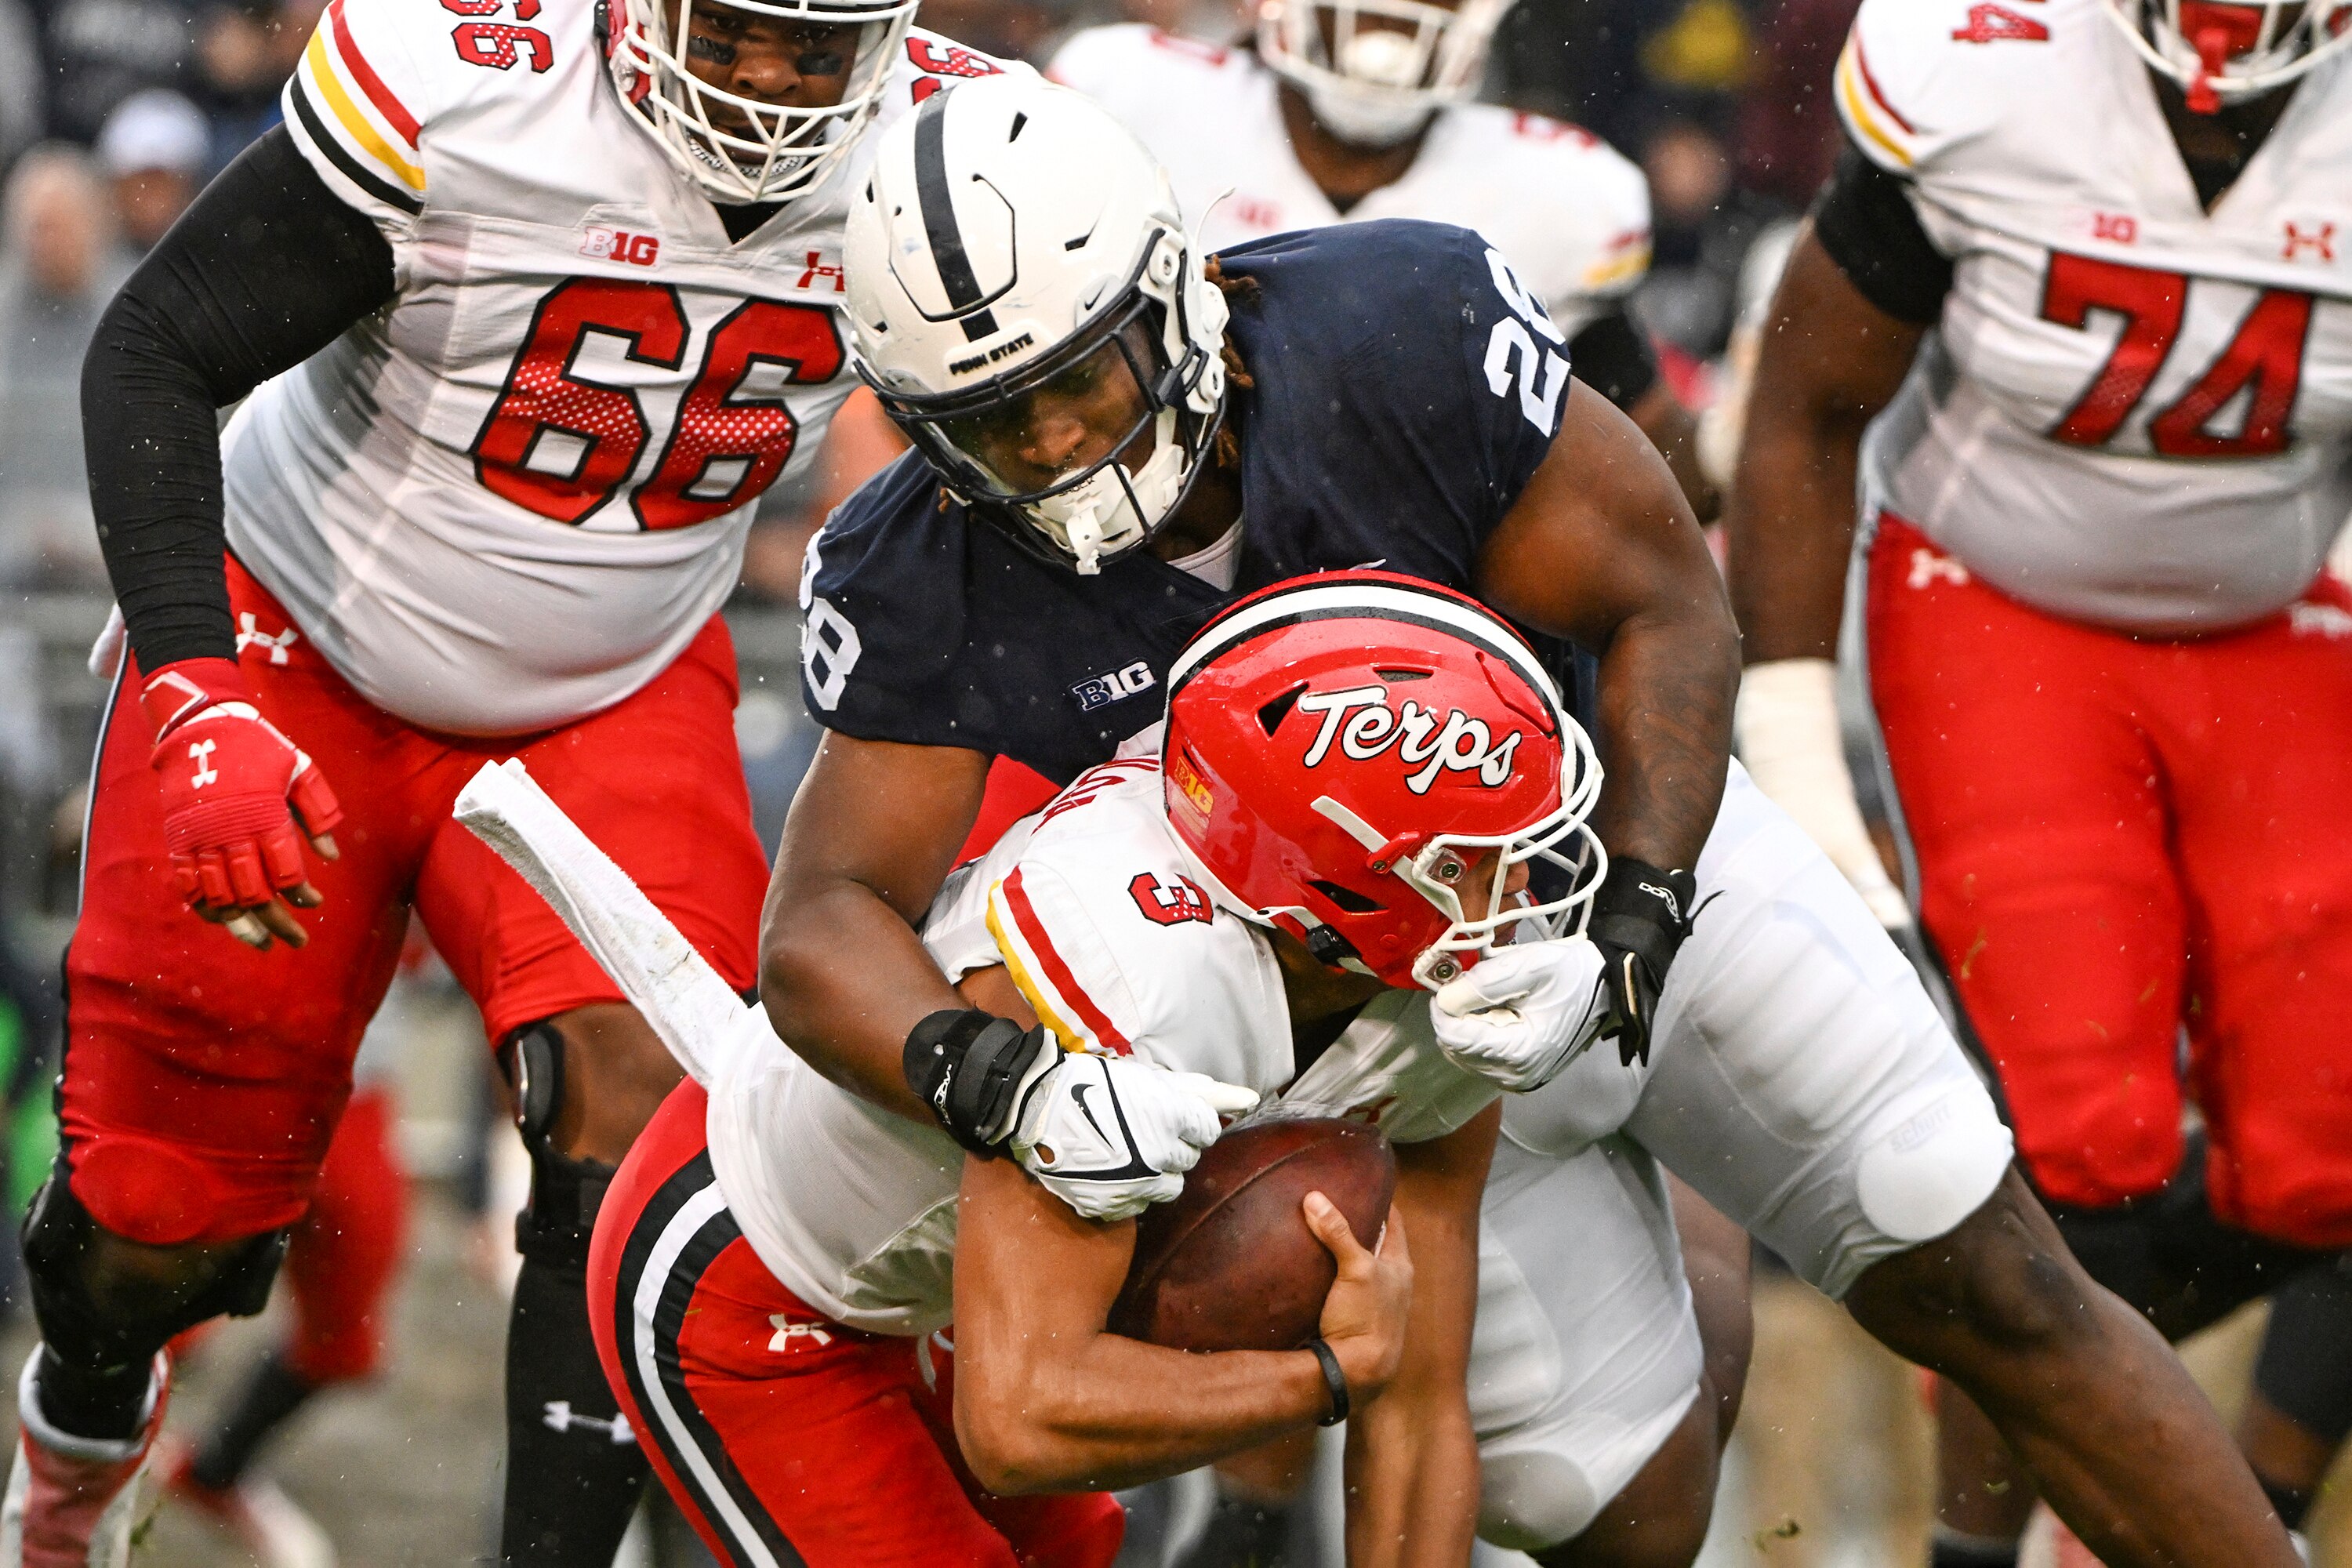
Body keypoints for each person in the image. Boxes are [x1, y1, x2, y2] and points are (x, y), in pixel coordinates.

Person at [769, 69, 2303, 1567]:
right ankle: (1684, 1224)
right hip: (1372, 1016)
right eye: (993, 420)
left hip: (1595, 846)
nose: (1052, 451)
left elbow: (1662, 601)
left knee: (1986, 1273)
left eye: (1075, 387)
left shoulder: (1390, 331)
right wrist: (999, 1078)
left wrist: (1635, 910)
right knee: (1619, 1501)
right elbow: (825, 918)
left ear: (1170, 297)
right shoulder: (924, 561)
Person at [10, 0, 1019, 1559]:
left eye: (812, 45)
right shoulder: (473, 88)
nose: (764, 76)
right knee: (153, 1220)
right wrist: (196, 684)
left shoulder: (955, 152)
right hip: (302, 628)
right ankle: (76, 1450)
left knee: (658, 1144)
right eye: (733, 27)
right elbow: (158, 342)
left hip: (612, 681)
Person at [1723, 0, 2352, 1561]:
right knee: (2073, 1138)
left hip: (2289, 610)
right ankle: (1984, 1544)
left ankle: (2217, 1510)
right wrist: (1795, 748)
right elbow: (1807, 409)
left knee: (2336, 1143)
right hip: (2004, 604)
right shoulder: (1984, 64)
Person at [1040, 0, 1715, 517]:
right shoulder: (1133, 96)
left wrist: (1734, 447)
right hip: (1138, 540)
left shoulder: (1560, 197)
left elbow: (1644, 452)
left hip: (1416, 584)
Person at [93, 89, 211, 252]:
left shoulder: (213, 259)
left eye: (163, 184)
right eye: (141, 184)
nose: (152, 203)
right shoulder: (90, 264)